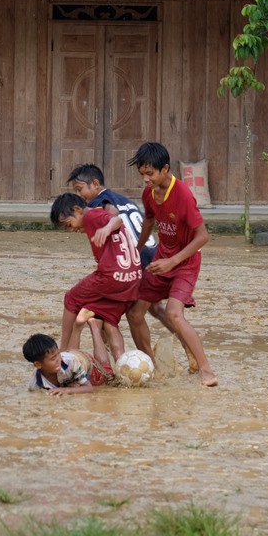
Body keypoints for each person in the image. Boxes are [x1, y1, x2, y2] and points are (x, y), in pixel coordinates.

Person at [67, 163, 198, 373]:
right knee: (155, 308)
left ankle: (132, 366)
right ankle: (186, 347)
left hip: (134, 263)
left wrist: (108, 229)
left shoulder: (100, 203)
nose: (80, 196)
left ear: (95, 183)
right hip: (150, 256)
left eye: (80, 189)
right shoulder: (122, 198)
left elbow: (113, 214)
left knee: (112, 311)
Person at [125, 142, 219, 387]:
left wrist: (173, 261)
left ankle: (207, 371)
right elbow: (148, 222)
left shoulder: (183, 195)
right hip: (161, 259)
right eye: (142, 174)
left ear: (165, 169)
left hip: (185, 263)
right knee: (135, 313)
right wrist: (137, 251)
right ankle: (153, 367)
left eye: (150, 174)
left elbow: (203, 236)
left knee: (174, 314)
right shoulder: (149, 193)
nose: (145, 179)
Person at [49, 192, 139, 373]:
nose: (70, 229)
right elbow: (113, 214)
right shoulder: (96, 215)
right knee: (109, 321)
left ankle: (64, 350)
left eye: (68, 224)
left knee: (71, 298)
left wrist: (106, 229)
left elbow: (119, 219)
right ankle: (121, 369)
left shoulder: (90, 215)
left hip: (112, 275)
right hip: (133, 277)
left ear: (77, 210)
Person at [23, 333, 107, 395]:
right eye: (53, 359)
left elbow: (89, 388)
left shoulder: (70, 361)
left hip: (86, 362)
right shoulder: (36, 383)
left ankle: (95, 328)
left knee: (108, 376)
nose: (58, 359)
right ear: (38, 365)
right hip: (72, 365)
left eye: (58, 354)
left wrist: (66, 390)